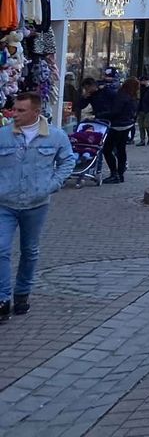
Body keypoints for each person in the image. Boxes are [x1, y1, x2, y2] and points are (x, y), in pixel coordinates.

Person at [0, 93, 74, 320]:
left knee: (29, 250)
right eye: (14, 109)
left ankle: (22, 293)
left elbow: (68, 160)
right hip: (5, 203)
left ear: (36, 112)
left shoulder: (55, 136)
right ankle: (3, 298)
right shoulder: (3, 135)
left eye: (21, 111)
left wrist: (52, 184)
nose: (15, 114)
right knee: (1, 249)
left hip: (36, 204)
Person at [103, 77, 138, 184]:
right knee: (121, 150)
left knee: (107, 149)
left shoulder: (121, 96)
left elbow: (115, 112)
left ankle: (114, 173)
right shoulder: (132, 97)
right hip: (127, 125)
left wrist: (101, 115)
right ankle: (120, 174)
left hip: (117, 125)